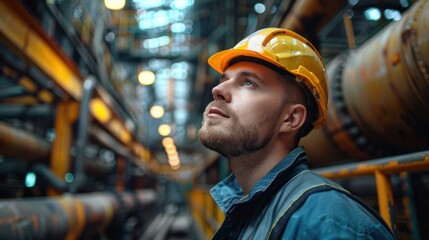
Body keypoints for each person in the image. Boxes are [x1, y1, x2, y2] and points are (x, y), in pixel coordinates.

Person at [198, 28, 396, 239]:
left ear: (291, 119)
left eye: (249, 83)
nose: (217, 90)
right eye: (223, 80)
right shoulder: (249, 207)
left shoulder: (327, 223)